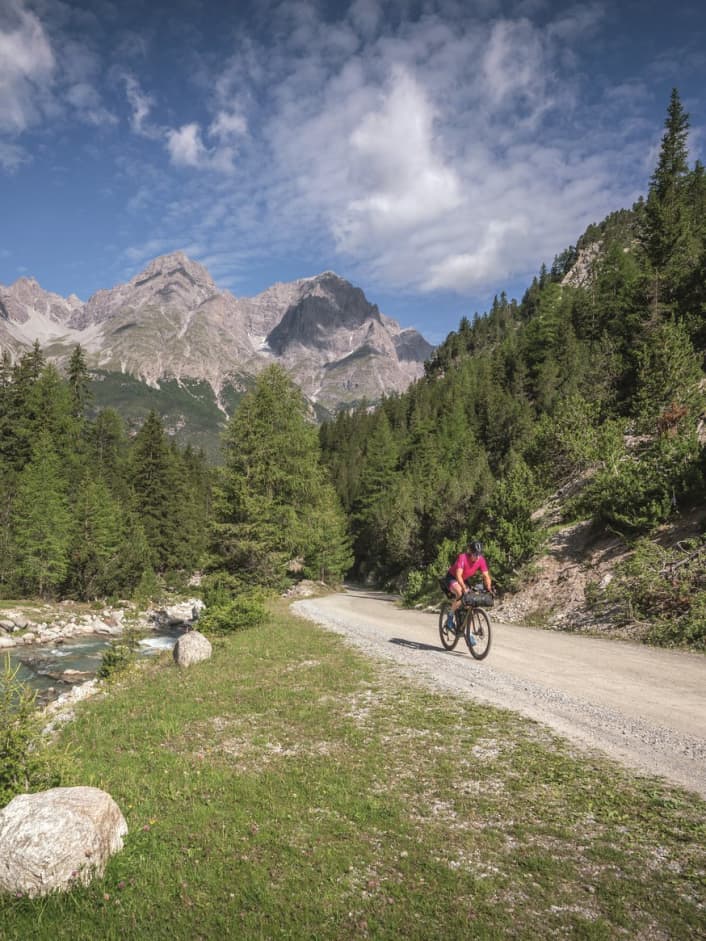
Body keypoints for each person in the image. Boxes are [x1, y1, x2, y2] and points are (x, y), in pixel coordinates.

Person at [442, 541, 493, 630]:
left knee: (470, 600)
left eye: (479, 554)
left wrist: (489, 587)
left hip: (464, 579)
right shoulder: (463, 557)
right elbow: (458, 575)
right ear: (470, 553)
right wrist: (463, 587)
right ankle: (450, 617)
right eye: (475, 554)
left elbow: (486, 575)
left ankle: (466, 629)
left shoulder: (481, 559)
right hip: (452, 577)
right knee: (460, 592)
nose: (477, 556)